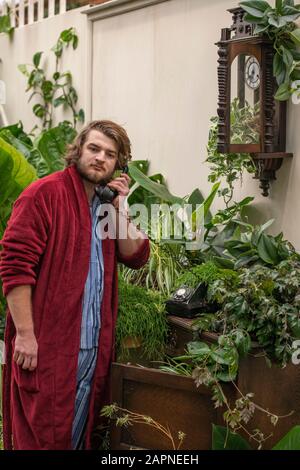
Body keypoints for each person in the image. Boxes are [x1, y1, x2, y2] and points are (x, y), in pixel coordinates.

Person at [0, 120, 150, 450]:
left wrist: (118, 206)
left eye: (110, 155)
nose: (100, 158)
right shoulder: (44, 195)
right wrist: (25, 335)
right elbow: (15, 266)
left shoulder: (105, 208)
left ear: (118, 166)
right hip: (48, 347)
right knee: (42, 435)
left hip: (91, 350)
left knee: (76, 435)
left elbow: (136, 255)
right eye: (94, 148)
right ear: (78, 150)